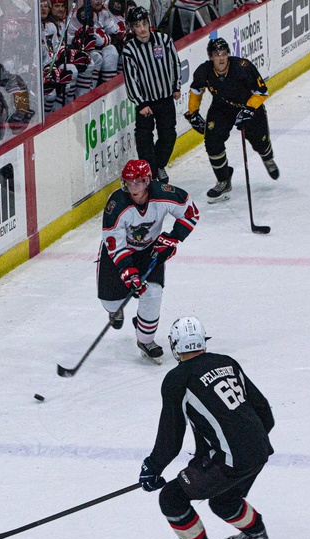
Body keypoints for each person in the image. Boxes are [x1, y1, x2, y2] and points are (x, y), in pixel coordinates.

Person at [138, 315, 275, 539]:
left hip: (233, 458)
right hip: (259, 450)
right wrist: (246, 443)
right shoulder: (227, 362)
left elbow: (172, 433)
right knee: (225, 501)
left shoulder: (178, 379)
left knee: (172, 497)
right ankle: (256, 534)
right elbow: (262, 411)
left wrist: (153, 466)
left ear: (175, 346)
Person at [99, 159, 198, 363]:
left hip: (149, 250)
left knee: (152, 292)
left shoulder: (163, 194)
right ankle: (114, 311)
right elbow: (115, 245)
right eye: (129, 183)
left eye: (139, 182)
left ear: (148, 181)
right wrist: (128, 273)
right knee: (111, 302)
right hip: (118, 253)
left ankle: (145, 339)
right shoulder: (116, 205)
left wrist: (172, 238)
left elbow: (191, 212)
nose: (134, 188)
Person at [184, 37, 279, 204]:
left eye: (223, 53)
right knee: (212, 141)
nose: (220, 58)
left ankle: (267, 157)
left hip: (249, 106)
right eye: (216, 54)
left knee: (260, 141)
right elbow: (196, 89)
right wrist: (193, 113)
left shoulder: (243, 67)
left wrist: (248, 110)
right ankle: (223, 180)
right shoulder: (204, 71)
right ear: (210, 57)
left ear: (228, 54)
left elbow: (262, 91)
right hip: (222, 108)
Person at [121, 5, 181, 183]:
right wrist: (140, 103)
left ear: (149, 23)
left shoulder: (164, 40)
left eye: (144, 24)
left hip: (165, 99)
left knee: (168, 135)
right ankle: (151, 173)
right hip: (145, 103)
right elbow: (130, 78)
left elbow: (175, 63)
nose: (142, 29)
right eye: (137, 25)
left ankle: (158, 166)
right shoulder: (129, 50)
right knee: (144, 140)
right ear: (132, 28)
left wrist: (176, 86)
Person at [67, 0, 121, 93]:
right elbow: (95, 40)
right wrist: (109, 39)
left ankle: (109, 89)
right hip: (77, 51)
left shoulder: (103, 12)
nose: (98, 1)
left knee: (112, 51)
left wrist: (109, 38)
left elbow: (115, 31)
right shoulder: (83, 13)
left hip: (93, 49)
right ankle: (88, 93)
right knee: (96, 58)